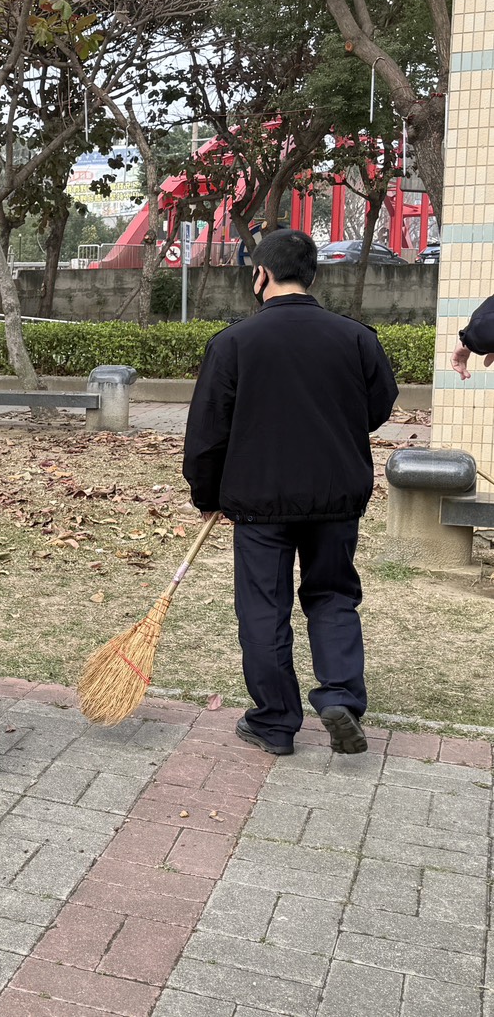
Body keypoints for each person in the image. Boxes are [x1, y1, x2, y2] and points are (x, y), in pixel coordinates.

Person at [184, 229, 397, 757]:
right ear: (313, 276)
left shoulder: (232, 344)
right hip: (336, 496)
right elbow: (377, 409)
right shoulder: (355, 338)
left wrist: (206, 495)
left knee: (263, 608)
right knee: (332, 596)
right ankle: (340, 694)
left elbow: (207, 433)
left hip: (258, 503)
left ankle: (275, 721)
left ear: (261, 275)